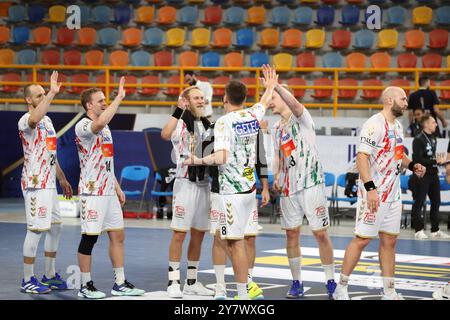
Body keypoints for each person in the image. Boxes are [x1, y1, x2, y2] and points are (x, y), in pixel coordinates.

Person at [183, 64, 278, 300]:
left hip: (230, 193)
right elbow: (264, 102)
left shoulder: (224, 122)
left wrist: (198, 158)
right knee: (232, 240)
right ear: (245, 98)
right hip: (248, 190)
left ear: (225, 98)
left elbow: (222, 156)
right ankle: (239, 288)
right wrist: (271, 86)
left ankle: (243, 293)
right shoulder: (252, 114)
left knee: (234, 244)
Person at [333, 87, 426, 300]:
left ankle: (389, 291)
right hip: (374, 193)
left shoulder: (398, 127)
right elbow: (361, 158)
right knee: (362, 240)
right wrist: (370, 189)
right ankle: (342, 287)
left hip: (393, 194)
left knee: (389, 242)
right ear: (389, 99)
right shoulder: (373, 124)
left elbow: (398, 154)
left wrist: (412, 165)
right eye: (403, 99)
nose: (406, 103)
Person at [75, 77, 145, 299]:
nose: (105, 103)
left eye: (106, 100)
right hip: (92, 191)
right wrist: (120, 98)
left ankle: (120, 283)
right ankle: (85, 285)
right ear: (89, 105)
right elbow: (98, 124)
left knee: (118, 235)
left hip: (108, 190)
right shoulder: (84, 125)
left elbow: (107, 161)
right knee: (90, 237)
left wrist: (116, 186)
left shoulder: (107, 131)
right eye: (101, 100)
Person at [269, 84, 337, 299]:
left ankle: (331, 280)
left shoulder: (302, 117)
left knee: (320, 233)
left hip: (311, 183)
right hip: (289, 188)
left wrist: (276, 86)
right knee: (291, 234)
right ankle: (296, 282)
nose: (270, 101)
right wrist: (276, 175)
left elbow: (296, 105)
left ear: (284, 97)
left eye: (273, 97)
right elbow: (279, 157)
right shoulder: (276, 128)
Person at [18, 71, 73, 294]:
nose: (43, 97)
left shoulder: (48, 121)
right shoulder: (25, 120)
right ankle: (27, 279)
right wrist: (51, 92)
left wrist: (61, 177)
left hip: (49, 182)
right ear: (28, 100)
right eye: (38, 95)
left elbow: (51, 152)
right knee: (36, 230)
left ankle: (49, 275)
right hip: (34, 183)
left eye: (44, 94)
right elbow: (34, 118)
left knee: (56, 227)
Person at [161, 86, 215, 298]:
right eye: (197, 98)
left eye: (203, 97)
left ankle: (191, 281)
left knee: (199, 234)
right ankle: (173, 281)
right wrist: (178, 109)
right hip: (185, 183)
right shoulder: (181, 121)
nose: (201, 101)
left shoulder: (207, 123)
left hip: (204, 184)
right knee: (179, 234)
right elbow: (165, 134)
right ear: (187, 101)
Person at [208, 127, 270, 300]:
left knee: (249, 237)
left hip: (247, 192)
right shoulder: (216, 127)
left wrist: (265, 186)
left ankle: (248, 284)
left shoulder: (253, 129)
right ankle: (220, 287)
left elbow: (261, 159)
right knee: (220, 237)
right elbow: (204, 153)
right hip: (221, 191)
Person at [410, 115, 450, 239]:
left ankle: (435, 229)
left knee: (436, 202)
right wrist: (435, 161)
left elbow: (430, 157)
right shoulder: (418, 139)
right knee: (420, 202)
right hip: (422, 175)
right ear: (426, 124)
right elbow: (417, 159)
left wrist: (438, 161)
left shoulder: (433, 138)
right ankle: (418, 230)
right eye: (433, 122)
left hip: (433, 174)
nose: (436, 124)